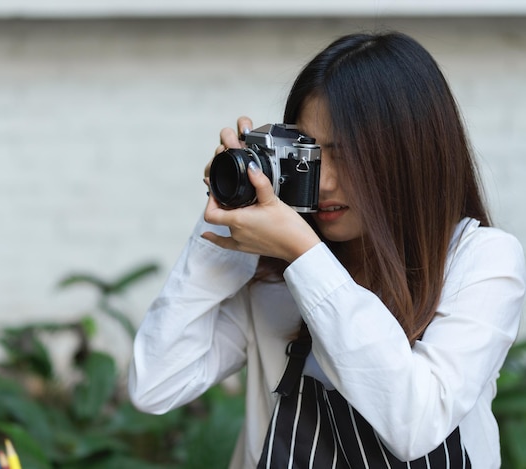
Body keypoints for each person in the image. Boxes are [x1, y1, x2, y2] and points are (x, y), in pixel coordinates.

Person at [128, 31, 526, 468]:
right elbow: (156, 384)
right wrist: (232, 209)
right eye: (310, 155)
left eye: (350, 156)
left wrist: (305, 256)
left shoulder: (481, 261)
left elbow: (415, 423)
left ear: (410, 156)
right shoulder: (275, 274)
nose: (326, 182)